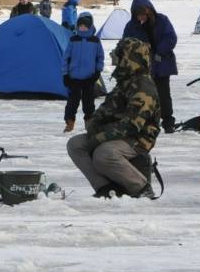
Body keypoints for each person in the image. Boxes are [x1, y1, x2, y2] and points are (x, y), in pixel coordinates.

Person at [67, 37, 161, 198]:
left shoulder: (143, 87)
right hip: (115, 134)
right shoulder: (125, 81)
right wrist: (94, 125)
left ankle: (141, 187)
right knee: (75, 145)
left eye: (119, 54)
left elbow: (132, 125)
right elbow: (106, 110)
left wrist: (100, 137)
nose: (114, 58)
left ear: (129, 58)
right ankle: (106, 188)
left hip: (138, 138)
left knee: (104, 153)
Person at [122, 0, 178, 133]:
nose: (141, 17)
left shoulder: (162, 20)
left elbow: (171, 38)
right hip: (142, 68)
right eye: (138, 15)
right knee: (145, 96)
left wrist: (158, 51)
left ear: (149, 11)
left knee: (163, 95)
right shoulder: (131, 26)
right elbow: (125, 44)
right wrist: (140, 49)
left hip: (161, 64)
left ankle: (168, 123)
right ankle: (147, 124)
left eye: (143, 14)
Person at [62, 12, 105, 132]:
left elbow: (100, 58)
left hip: (89, 78)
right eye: (80, 26)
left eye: (85, 26)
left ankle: (89, 122)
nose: (82, 28)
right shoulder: (73, 40)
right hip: (74, 78)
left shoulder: (95, 41)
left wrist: (97, 72)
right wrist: (65, 74)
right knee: (72, 102)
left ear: (90, 26)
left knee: (89, 103)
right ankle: (69, 122)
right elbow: (66, 58)